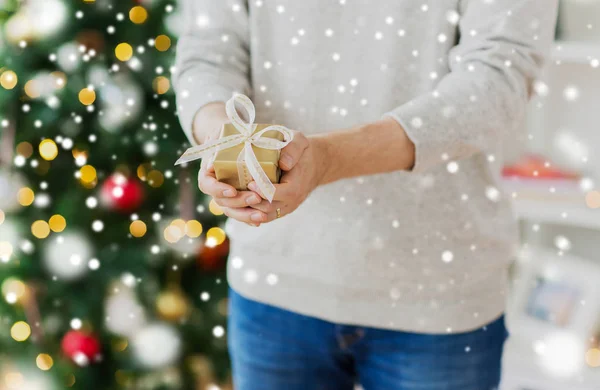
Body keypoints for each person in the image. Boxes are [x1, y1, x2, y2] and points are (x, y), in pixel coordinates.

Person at [174, 1, 558, 389]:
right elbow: (208, 50)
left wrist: (327, 160)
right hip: (276, 284)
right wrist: (222, 140)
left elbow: (499, 77)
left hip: (438, 299)